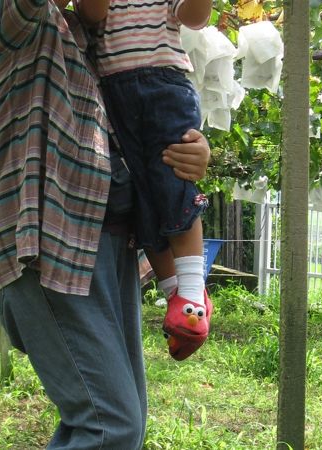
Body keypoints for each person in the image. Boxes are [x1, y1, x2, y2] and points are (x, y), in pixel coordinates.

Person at [0, 0, 210, 448]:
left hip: (110, 246)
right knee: (108, 426)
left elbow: (141, 129)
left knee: (120, 424)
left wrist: (190, 147)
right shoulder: (8, 15)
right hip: (46, 244)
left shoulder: (91, 35)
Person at [90, 0, 214, 360]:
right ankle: (178, 295)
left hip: (163, 85)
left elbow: (194, 17)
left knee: (172, 180)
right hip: (114, 92)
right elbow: (91, 14)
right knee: (142, 196)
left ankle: (191, 294)